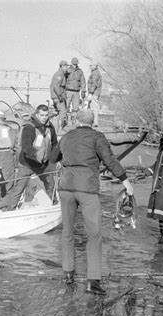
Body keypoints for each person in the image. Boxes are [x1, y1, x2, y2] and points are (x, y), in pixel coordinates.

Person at [56, 110, 133, 295]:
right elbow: (110, 160)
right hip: (87, 190)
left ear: (76, 120)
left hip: (66, 188)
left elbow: (53, 158)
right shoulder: (97, 137)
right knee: (94, 235)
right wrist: (125, 181)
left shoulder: (66, 136)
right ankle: (92, 281)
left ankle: (68, 274)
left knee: (67, 232)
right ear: (94, 121)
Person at [0, 104, 58, 211]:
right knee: (19, 187)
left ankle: (54, 205)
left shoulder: (50, 127)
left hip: (43, 164)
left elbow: (54, 143)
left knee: (50, 184)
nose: (44, 117)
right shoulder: (29, 127)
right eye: (41, 115)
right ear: (36, 114)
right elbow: (26, 146)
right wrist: (35, 154)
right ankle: (10, 210)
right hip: (27, 163)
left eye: (46, 115)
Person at [0, 110, 19, 207]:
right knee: (8, 184)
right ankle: (5, 206)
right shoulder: (11, 130)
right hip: (8, 157)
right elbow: (16, 147)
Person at [64, 57, 86, 125]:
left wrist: (83, 91)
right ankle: (65, 121)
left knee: (76, 108)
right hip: (68, 91)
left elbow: (83, 81)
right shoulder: (67, 70)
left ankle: (74, 121)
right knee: (65, 107)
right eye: (74, 64)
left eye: (76, 64)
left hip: (76, 92)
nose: (75, 65)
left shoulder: (80, 71)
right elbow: (63, 80)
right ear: (71, 63)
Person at [50, 60, 68, 130]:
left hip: (57, 96)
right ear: (62, 66)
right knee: (63, 111)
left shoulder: (62, 74)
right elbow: (56, 86)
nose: (67, 68)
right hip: (58, 97)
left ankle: (56, 127)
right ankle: (61, 129)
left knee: (56, 112)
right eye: (66, 66)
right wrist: (60, 96)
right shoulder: (59, 74)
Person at [87, 62, 102, 127]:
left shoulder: (95, 73)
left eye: (91, 65)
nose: (90, 67)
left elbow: (94, 84)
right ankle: (93, 122)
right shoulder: (96, 72)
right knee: (93, 107)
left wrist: (90, 93)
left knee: (94, 108)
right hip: (95, 92)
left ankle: (95, 122)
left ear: (95, 66)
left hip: (94, 93)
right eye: (90, 65)